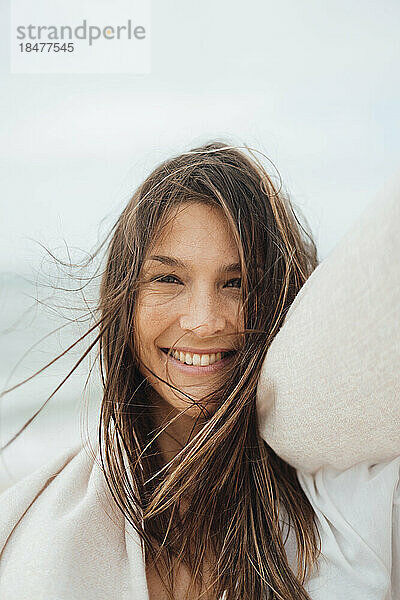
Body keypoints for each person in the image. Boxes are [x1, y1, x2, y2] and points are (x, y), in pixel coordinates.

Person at [0, 141, 399, 600]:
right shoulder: (31, 528)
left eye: (237, 283)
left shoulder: (351, 504)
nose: (205, 320)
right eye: (169, 279)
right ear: (124, 301)